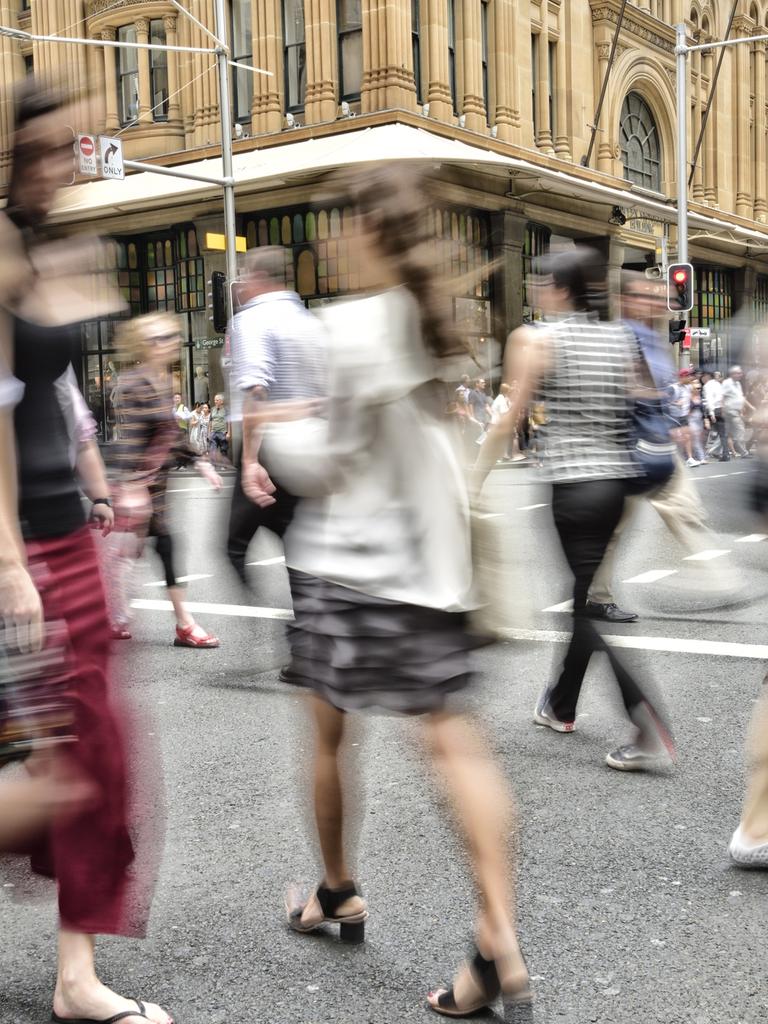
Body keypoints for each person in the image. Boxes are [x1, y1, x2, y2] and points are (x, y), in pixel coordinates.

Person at [267, 165, 531, 1017]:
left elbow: (329, 461)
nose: (330, 242)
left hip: (351, 571)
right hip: (432, 570)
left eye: (340, 225)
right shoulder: (430, 321)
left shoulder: (350, 326)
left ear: (370, 231)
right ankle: (498, 938)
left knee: (329, 738)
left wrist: (274, 445)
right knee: (457, 746)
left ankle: (338, 888)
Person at [0, 80, 171, 1024]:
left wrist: (107, 490)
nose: (59, 165)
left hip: (69, 529)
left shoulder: (60, 243)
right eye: (41, 151)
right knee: (45, 761)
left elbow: (61, 400)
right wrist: (10, 560)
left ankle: (76, 976)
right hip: (18, 541)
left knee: (95, 754)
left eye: (68, 148)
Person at [477, 248, 676, 772]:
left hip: (571, 483)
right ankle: (561, 705)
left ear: (562, 289)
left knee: (585, 608)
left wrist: (473, 480)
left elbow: (508, 419)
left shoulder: (537, 339)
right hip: (616, 486)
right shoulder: (620, 337)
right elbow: (644, 397)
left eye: (542, 282)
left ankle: (644, 718)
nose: (537, 290)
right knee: (582, 596)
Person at [584, 274, 731, 622]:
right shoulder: (619, 338)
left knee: (684, 509)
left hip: (657, 441)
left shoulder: (651, 338)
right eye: (643, 297)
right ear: (624, 300)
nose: (652, 303)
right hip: (629, 446)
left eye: (656, 297)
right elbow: (617, 394)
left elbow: (663, 391)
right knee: (616, 526)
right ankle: (595, 596)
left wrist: (675, 424)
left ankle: (721, 581)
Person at [110, 314, 221, 649]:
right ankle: (180, 623)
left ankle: (127, 616)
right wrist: (129, 484)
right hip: (140, 484)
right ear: (144, 345)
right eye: (160, 338)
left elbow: (171, 434)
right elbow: (130, 439)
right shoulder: (132, 383)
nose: (169, 342)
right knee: (139, 550)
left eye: (172, 336)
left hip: (155, 485)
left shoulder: (164, 382)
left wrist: (201, 462)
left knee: (150, 549)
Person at [227, 245, 327, 584]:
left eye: (243, 276)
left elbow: (256, 390)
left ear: (257, 277)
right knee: (298, 533)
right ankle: (313, 610)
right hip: (312, 440)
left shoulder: (251, 319)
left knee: (237, 541)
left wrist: (251, 460)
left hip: (269, 440)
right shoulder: (310, 321)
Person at [721, 365, 754, 458]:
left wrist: (747, 407)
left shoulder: (738, 384)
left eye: (741, 373)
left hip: (735, 411)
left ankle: (714, 451)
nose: (741, 375)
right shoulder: (727, 383)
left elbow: (740, 397)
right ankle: (744, 452)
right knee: (740, 431)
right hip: (730, 412)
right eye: (738, 373)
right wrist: (722, 409)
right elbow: (722, 396)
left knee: (726, 433)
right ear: (732, 374)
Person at [702, 370, 729, 460]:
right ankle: (725, 454)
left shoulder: (707, 386)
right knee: (723, 434)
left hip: (714, 410)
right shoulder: (719, 385)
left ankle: (702, 454)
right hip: (721, 409)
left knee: (705, 432)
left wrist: (711, 413)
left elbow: (709, 400)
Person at [209, 392, 230, 463]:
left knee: (223, 449)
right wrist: (209, 432)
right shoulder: (212, 409)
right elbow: (210, 421)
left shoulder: (226, 410)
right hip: (213, 432)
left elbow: (229, 422)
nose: (215, 401)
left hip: (222, 432)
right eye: (215, 400)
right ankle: (213, 464)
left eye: (217, 400)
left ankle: (224, 465)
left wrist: (228, 433)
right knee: (212, 449)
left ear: (222, 401)